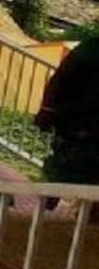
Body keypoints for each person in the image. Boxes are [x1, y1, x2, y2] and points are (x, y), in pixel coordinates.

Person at [37, 37, 99, 188]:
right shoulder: (91, 48)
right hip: (77, 123)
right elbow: (61, 79)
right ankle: (50, 194)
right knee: (68, 167)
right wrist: (47, 110)